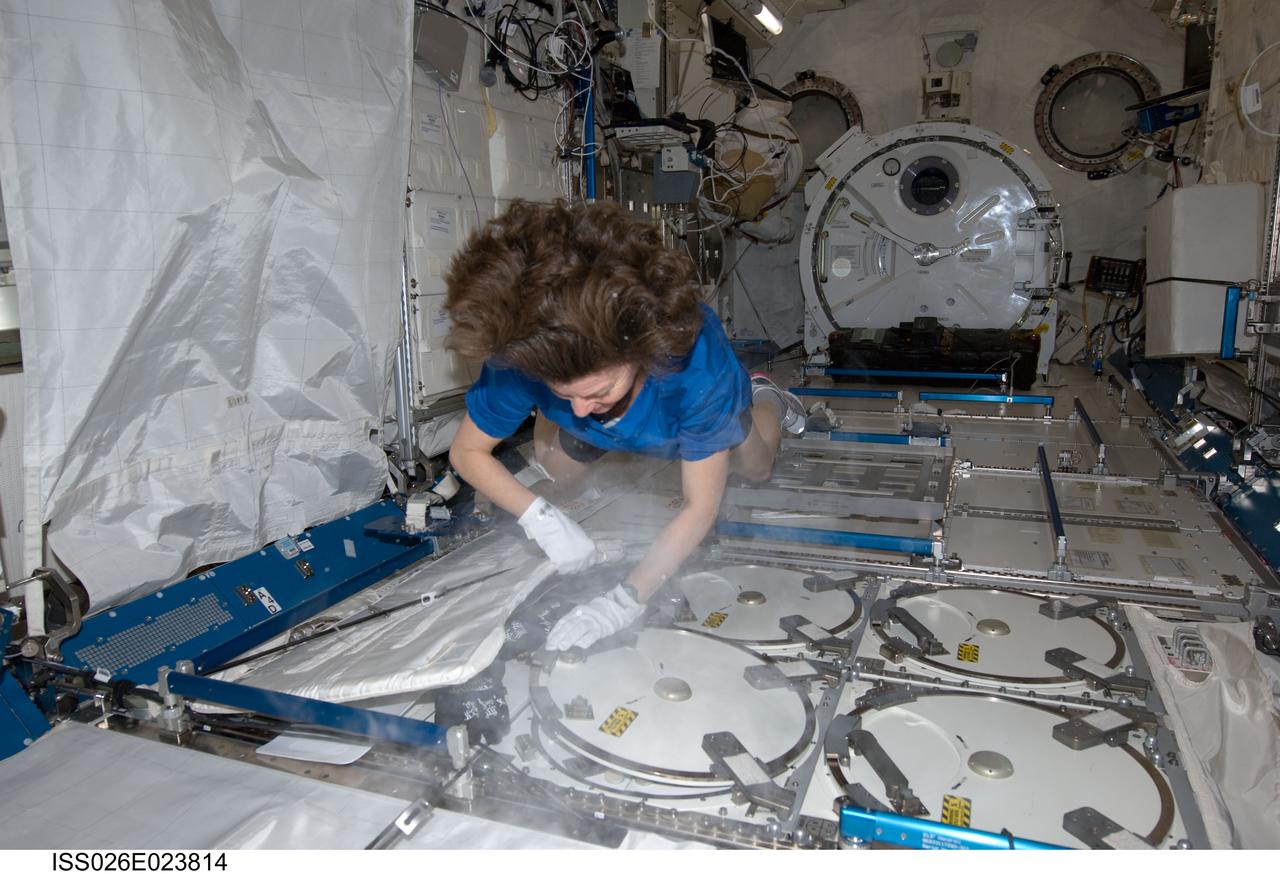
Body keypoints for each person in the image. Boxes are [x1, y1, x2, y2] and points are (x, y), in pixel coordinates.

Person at [445, 200, 805, 651]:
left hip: (681, 413)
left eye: (598, 391)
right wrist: (541, 519)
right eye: (563, 393)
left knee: (756, 467)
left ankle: (768, 397)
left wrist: (625, 599)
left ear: (640, 353)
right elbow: (466, 452)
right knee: (555, 468)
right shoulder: (523, 361)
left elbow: (699, 507)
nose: (580, 409)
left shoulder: (697, 371)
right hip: (611, 419)